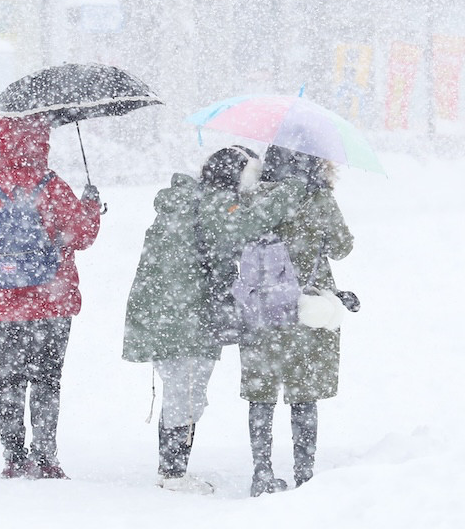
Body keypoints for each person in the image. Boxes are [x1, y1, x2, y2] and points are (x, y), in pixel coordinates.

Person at [121, 145, 304, 494]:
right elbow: (249, 225)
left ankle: (170, 469)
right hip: (185, 316)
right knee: (185, 394)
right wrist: (292, 188)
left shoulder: (187, 202)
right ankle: (173, 475)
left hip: (164, 312)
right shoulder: (214, 205)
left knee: (181, 390)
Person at [0, 115, 103, 480]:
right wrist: (90, 206)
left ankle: (13, 457)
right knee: (47, 377)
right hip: (52, 299)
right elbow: (81, 236)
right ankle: (45, 456)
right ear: (40, 142)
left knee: (10, 377)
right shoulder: (53, 187)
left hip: (6, 298)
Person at [240, 146, 357, 496]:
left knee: (261, 394)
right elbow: (341, 247)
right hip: (307, 307)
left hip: (261, 307)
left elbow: (235, 239)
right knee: (303, 395)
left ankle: (261, 473)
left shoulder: (252, 197)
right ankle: (305, 474)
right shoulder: (316, 198)